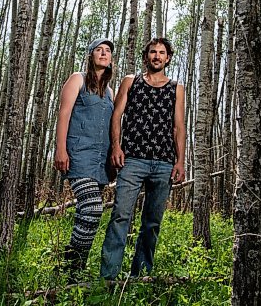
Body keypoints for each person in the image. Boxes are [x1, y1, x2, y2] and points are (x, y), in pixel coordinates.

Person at [100, 37, 186, 280]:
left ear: (168, 58)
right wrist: (116, 147)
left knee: (152, 222)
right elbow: (116, 115)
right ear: (146, 56)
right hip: (133, 160)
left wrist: (180, 161)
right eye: (152, 52)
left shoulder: (176, 88)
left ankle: (141, 276)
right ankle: (108, 279)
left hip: (164, 161)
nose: (157, 56)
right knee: (120, 216)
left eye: (161, 53)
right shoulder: (131, 82)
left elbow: (179, 126)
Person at [54, 38, 115, 275]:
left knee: (87, 214)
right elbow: (64, 113)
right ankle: (73, 262)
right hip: (78, 154)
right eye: (98, 50)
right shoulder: (77, 78)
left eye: (107, 51)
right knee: (92, 207)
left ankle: (72, 268)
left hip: (100, 161)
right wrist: (60, 149)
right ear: (91, 55)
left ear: (111, 59)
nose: (103, 53)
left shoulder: (109, 90)